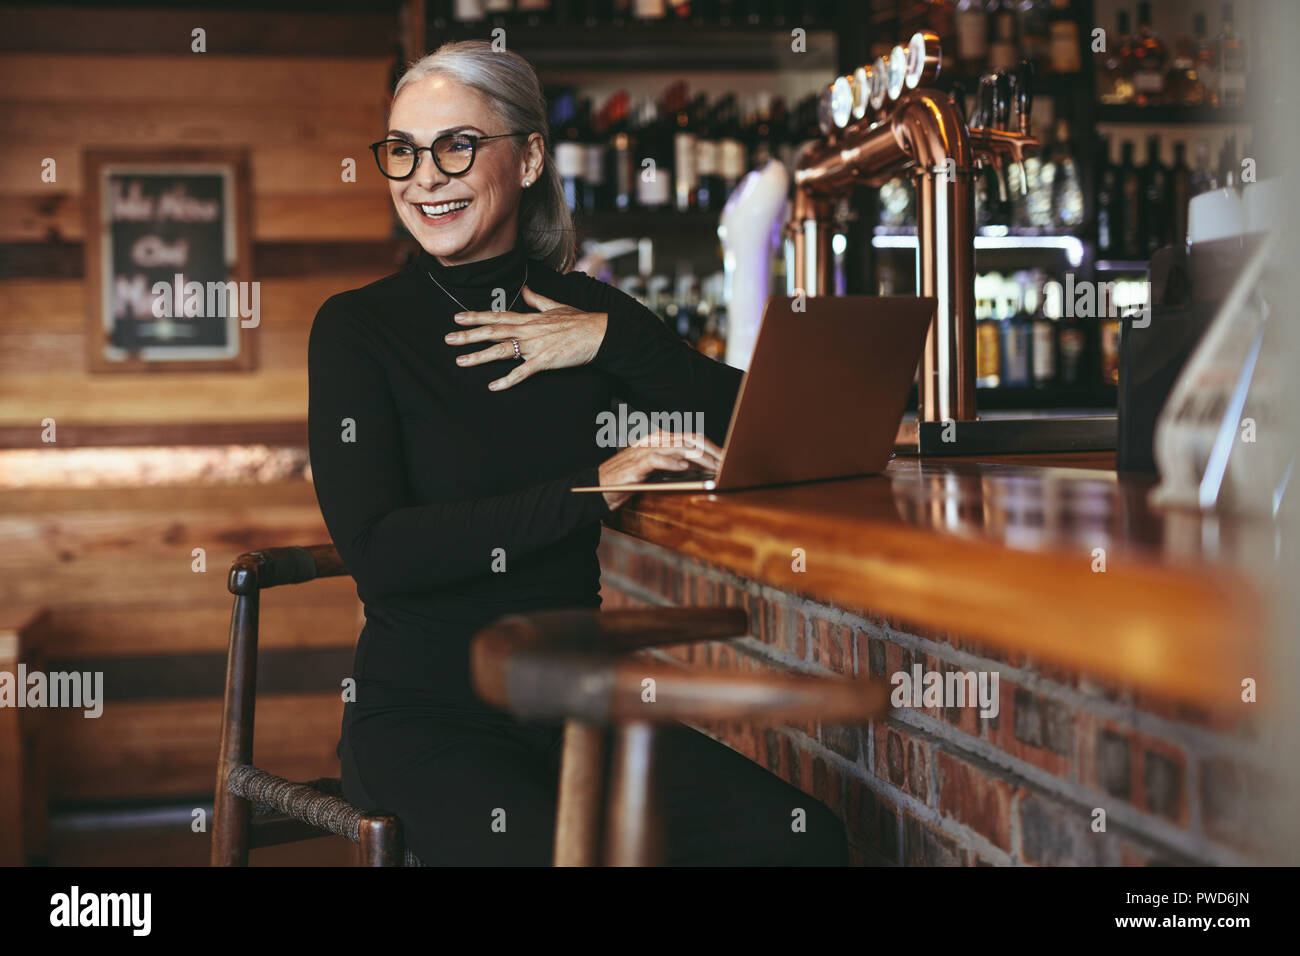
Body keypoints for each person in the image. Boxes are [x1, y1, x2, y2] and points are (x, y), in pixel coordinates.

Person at [307, 39, 848, 866]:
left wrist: (608, 336)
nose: (424, 177)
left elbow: (775, 426)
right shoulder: (358, 330)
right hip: (427, 719)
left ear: (527, 159)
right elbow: (380, 553)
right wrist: (588, 487)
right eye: (405, 152)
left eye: (456, 145)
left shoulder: (591, 319)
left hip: (576, 708)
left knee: (800, 841)